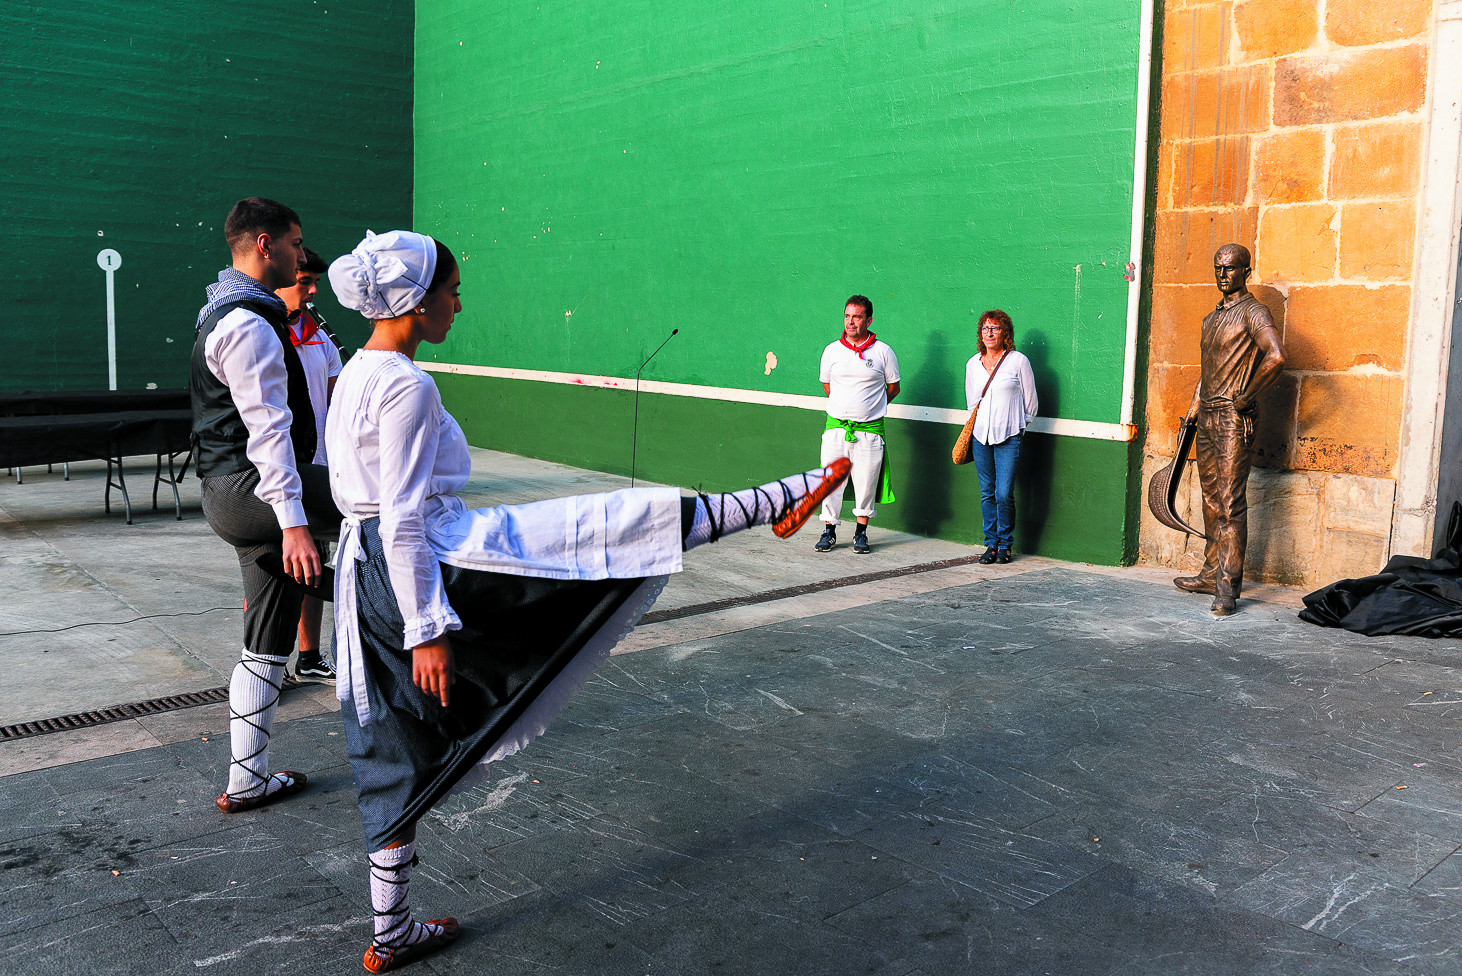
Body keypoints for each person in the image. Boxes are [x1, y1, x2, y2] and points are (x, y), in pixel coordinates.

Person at [322, 229, 851, 973]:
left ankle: (391, 933)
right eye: (450, 289)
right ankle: (781, 497)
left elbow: (368, 503)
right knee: (601, 529)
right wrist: (429, 627)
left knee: (388, 742)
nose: (458, 301)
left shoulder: (357, 371)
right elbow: (405, 515)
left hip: (366, 577)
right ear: (415, 299)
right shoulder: (409, 385)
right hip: (427, 563)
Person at [189, 197, 342, 814]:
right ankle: (423, 628)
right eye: (295, 244)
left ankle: (247, 779)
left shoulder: (223, 311)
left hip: (229, 495)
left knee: (265, 643)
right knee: (384, 503)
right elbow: (268, 432)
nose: (302, 255)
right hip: (248, 491)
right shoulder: (249, 323)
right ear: (263, 244)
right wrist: (295, 523)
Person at [1174, 243, 1287, 615]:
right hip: (1206, 416)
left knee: (1229, 503)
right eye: (1218, 268)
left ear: (1246, 272)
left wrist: (1246, 397)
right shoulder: (1211, 319)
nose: (1223, 275)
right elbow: (1207, 371)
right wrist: (1191, 413)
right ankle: (1210, 572)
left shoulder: (1254, 312)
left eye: (1231, 268)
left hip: (1232, 420)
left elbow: (1276, 357)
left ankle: (1227, 587)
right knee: (1209, 500)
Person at [274, 247, 342, 683]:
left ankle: (310, 657)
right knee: (270, 573)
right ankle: (268, 665)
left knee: (314, 565)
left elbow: (338, 396)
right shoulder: (260, 331)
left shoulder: (318, 332)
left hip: (319, 468)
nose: (315, 290)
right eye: (305, 282)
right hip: (278, 472)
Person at [815, 295, 899, 554]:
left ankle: (861, 533)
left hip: (870, 431)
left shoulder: (883, 351)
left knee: (866, 482)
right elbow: (827, 385)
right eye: (847, 316)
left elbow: (893, 387)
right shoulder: (832, 350)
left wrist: (870, 407)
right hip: (836, 428)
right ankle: (829, 531)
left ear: (868, 320)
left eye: (857, 316)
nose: (851, 322)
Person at [964, 309, 1037, 564]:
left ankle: (1005, 544)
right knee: (987, 492)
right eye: (985, 328)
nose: (989, 333)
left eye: (995, 328)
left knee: (1004, 493)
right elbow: (971, 402)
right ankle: (991, 544)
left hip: (1009, 437)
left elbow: (1031, 403)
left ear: (1005, 332)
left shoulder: (1018, 361)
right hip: (980, 437)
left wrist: (1017, 425)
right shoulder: (973, 364)